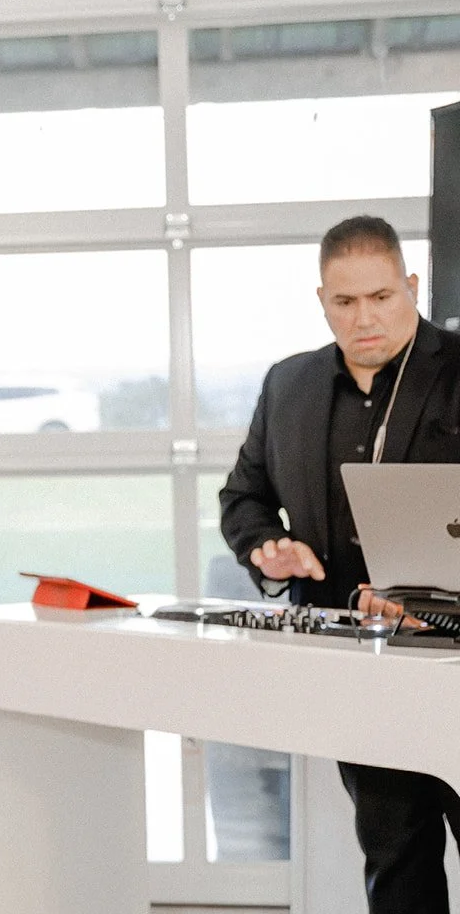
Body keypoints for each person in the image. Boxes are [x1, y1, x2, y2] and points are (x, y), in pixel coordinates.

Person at [220, 215, 460, 913]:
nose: (365, 319)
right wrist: (269, 547)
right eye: (345, 302)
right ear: (321, 299)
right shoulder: (287, 385)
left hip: (453, 657)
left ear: (411, 287)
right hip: (355, 662)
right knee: (393, 854)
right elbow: (244, 497)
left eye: (383, 298)